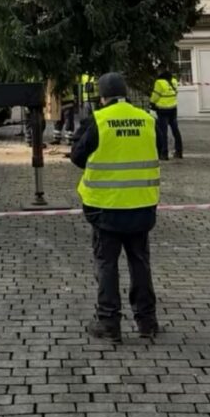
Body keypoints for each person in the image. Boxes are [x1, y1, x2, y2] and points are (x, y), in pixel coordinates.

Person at [70, 71, 163, 342]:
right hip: (141, 205)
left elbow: (77, 156)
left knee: (107, 265)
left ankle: (109, 322)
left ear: (102, 97)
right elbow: (159, 148)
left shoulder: (98, 120)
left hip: (106, 208)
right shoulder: (147, 119)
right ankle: (147, 322)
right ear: (125, 93)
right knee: (140, 262)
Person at [150, 65, 182, 160]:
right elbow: (176, 92)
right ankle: (179, 151)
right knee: (175, 130)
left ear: (160, 71)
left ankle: (164, 153)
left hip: (162, 109)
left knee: (163, 132)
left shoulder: (159, 82)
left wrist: (152, 103)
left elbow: (155, 96)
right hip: (173, 108)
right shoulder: (174, 80)